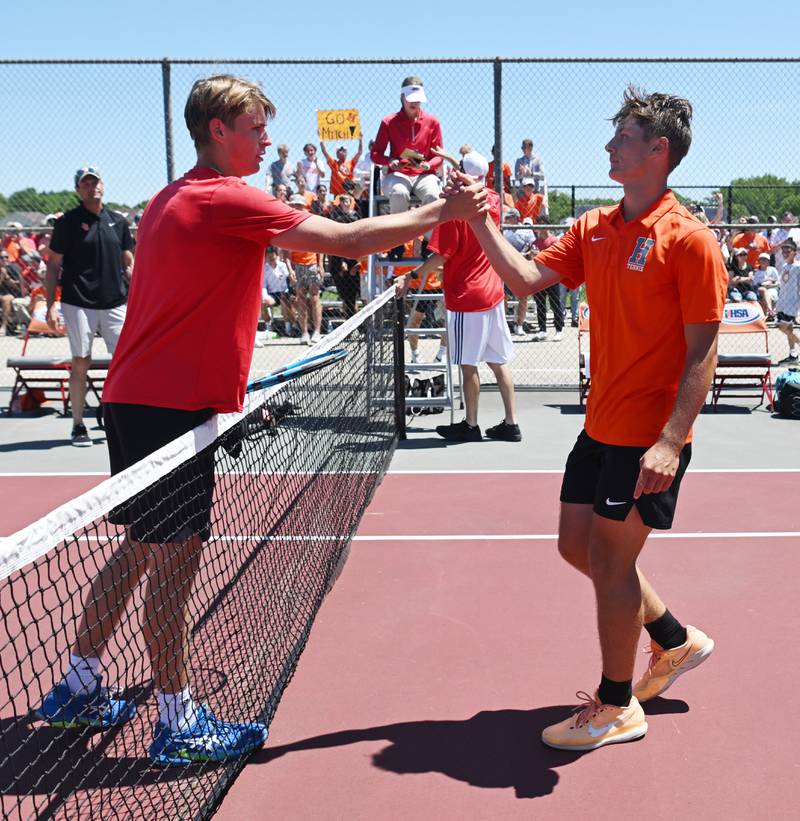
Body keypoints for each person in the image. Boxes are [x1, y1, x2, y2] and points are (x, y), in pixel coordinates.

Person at [34, 74, 486, 768]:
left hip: (136, 396)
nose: (266, 138)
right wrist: (444, 211)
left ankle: (78, 684)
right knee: (174, 565)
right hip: (167, 407)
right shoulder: (224, 197)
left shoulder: (167, 197)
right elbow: (348, 238)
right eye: (254, 127)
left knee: (140, 549)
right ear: (218, 129)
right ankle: (176, 721)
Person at [467, 86, 727, 750]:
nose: (610, 145)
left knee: (612, 563)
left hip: (648, 437)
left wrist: (671, 440)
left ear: (658, 151)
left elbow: (703, 353)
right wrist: (479, 220)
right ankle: (672, 638)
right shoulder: (593, 228)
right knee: (577, 547)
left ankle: (616, 704)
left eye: (624, 137)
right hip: (600, 426)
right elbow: (524, 279)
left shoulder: (690, 240)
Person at [407, 152, 521, 443]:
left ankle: (471, 424)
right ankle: (511, 423)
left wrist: (413, 275)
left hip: (466, 296)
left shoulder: (454, 210)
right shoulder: (492, 200)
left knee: (468, 364)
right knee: (498, 362)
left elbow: (441, 256)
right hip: (493, 292)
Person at [45, 167, 135, 446]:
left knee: (124, 362)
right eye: (85, 184)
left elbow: (129, 264)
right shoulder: (68, 223)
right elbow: (53, 265)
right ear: (78, 190)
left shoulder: (117, 221)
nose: (91, 187)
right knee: (80, 361)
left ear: (103, 186)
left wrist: (139, 297)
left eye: (95, 182)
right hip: (78, 302)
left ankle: (121, 418)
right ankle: (78, 425)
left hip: (115, 302)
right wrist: (50, 305)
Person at [370, 76, 443, 216]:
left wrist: (427, 165)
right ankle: (399, 237)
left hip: (425, 175)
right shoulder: (388, 122)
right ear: (402, 97)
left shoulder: (433, 122)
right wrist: (390, 161)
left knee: (433, 195)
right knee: (399, 193)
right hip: (398, 174)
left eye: (418, 99)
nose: (414, 102)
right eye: (410, 98)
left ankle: (429, 238)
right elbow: (375, 154)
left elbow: (438, 156)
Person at [288, 194, 324, 343]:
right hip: (297, 266)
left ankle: (317, 331)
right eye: (294, 205)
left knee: (315, 298)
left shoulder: (311, 222)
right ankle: (304, 333)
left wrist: (320, 264)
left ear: (304, 206)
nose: (297, 208)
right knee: (301, 299)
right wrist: (290, 269)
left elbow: (320, 245)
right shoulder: (289, 223)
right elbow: (286, 251)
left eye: (299, 205)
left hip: (312, 265)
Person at [501, 208, 534, 336]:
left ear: (515, 218)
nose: (506, 220)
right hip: (507, 267)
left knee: (523, 297)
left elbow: (533, 248)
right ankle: (504, 324)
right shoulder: (504, 231)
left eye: (508, 218)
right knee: (503, 296)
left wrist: (525, 254)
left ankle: (519, 325)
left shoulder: (526, 231)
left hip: (522, 266)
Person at [531, 220, 563, 341]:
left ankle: (559, 330)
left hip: (552, 276)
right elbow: (533, 259)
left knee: (555, 303)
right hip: (538, 276)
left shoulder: (554, 241)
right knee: (540, 304)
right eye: (538, 225)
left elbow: (556, 257)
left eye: (542, 224)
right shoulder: (535, 242)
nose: (540, 227)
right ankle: (542, 330)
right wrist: (533, 255)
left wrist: (541, 254)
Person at [775, 238, 800, 364]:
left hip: (792, 303)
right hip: (782, 302)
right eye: (783, 251)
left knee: (781, 327)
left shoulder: (798, 267)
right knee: (788, 329)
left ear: (795, 252)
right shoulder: (784, 266)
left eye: (787, 250)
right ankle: (793, 354)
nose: (784, 253)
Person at [262, 245, 296, 336]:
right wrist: (265, 297)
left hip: (284, 291)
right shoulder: (264, 269)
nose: (271, 260)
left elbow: (288, 281)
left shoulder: (283, 266)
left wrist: (288, 292)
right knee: (264, 303)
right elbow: (264, 286)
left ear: (277, 256)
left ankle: (288, 328)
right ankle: (268, 326)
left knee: (284, 301)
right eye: (269, 258)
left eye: (273, 258)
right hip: (272, 293)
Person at [752, 252, 779, 318]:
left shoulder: (773, 270)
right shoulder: (756, 272)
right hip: (760, 289)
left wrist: (771, 285)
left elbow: (778, 282)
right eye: (761, 259)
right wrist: (764, 284)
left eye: (765, 259)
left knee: (770, 294)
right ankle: (770, 311)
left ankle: (768, 314)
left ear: (768, 261)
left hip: (772, 288)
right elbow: (755, 285)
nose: (763, 261)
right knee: (763, 290)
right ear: (759, 261)